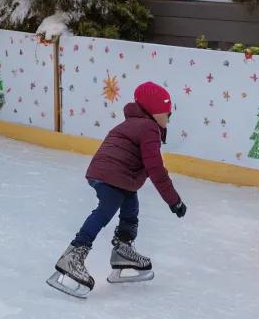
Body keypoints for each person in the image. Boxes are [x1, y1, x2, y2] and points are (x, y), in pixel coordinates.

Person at [48, 81, 186, 298]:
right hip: (111, 175)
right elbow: (156, 169)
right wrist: (174, 201)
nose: (170, 117)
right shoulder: (148, 128)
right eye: (167, 112)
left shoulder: (135, 124)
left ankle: (123, 250)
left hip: (113, 175)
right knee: (107, 208)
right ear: (153, 111)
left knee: (130, 205)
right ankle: (73, 255)